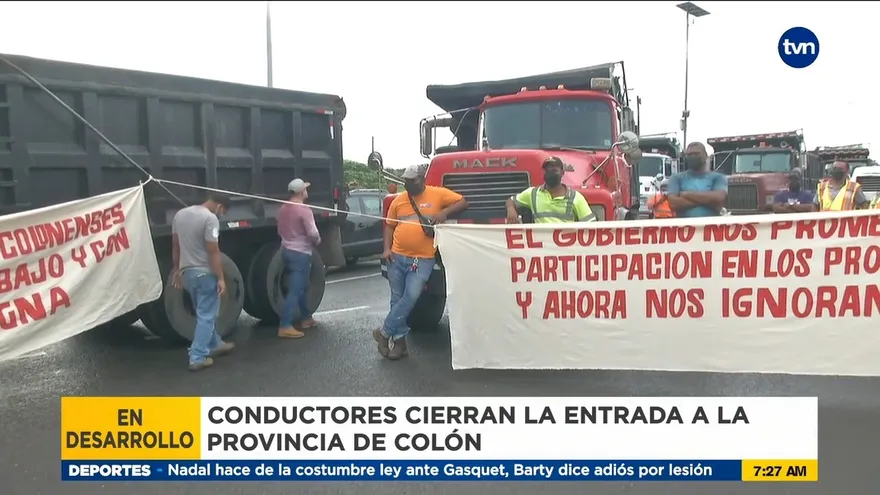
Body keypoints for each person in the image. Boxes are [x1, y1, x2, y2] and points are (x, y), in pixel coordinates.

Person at [376, 164, 468, 360]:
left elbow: (462, 202)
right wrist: (386, 249)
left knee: (410, 297)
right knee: (396, 299)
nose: (409, 184)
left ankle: (384, 332)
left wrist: (444, 213)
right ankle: (400, 345)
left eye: (413, 180)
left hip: (423, 259)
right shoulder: (399, 201)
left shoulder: (437, 194)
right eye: (406, 181)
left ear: (422, 180)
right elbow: (389, 226)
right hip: (397, 258)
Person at [171, 193, 235, 372]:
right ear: (220, 207)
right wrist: (221, 278)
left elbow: (175, 246)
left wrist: (177, 270)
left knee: (202, 311)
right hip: (205, 274)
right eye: (223, 212)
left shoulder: (180, 215)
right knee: (207, 315)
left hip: (187, 274)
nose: (221, 216)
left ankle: (215, 343)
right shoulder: (210, 218)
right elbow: (213, 252)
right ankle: (197, 356)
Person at [276, 178, 320, 339]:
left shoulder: (283, 208)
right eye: (306, 189)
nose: (307, 191)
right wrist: (317, 242)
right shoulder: (304, 210)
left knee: (302, 285)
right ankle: (285, 325)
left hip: (286, 249)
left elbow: (280, 229)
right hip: (300, 252)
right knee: (295, 289)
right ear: (302, 192)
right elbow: (313, 233)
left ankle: (306, 317)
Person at [505, 156, 596, 224]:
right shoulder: (532, 194)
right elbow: (511, 201)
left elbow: (591, 226)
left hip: (567, 248)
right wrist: (511, 209)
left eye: (554, 170)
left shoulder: (576, 198)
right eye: (547, 170)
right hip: (542, 248)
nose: (550, 173)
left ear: (562, 173)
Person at [666, 142, 728, 218]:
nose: (692, 156)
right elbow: (673, 204)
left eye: (696, 154)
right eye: (689, 155)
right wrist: (708, 200)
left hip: (711, 227)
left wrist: (686, 194)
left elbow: (719, 199)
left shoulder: (718, 178)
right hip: (684, 227)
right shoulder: (676, 178)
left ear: (705, 155)